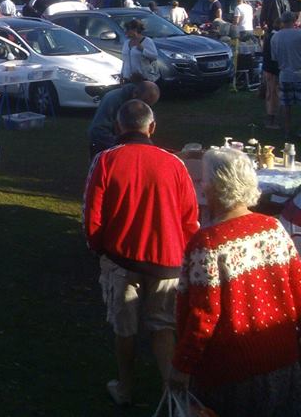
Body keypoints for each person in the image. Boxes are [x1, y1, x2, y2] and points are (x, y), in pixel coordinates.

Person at [83, 100, 200, 406]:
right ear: (152, 128)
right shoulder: (175, 164)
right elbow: (190, 217)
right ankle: (172, 397)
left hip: (121, 259)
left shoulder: (106, 160)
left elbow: (92, 214)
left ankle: (125, 388)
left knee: (125, 328)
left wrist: (98, 249)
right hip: (168, 261)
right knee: (163, 328)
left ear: (118, 127)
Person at [169, 148, 301, 416]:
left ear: (217, 186)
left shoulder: (208, 243)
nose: (201, 186)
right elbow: (298, 288)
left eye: (204, 179)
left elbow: (203, 316)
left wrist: (182, 364)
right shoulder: (274, 228)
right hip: (283, 359)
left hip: (232, 372)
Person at [87, 80, 161, 157]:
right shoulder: (112, 100)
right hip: (103, 149)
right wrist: (123, 148)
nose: (144, 106)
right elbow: (97, 131)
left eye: (148, 105)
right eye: (144, 102)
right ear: (135, 93)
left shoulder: (140, 101)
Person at [271, 10, 301, 137]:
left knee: (285, 103)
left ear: (282, 22)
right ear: (294, 21)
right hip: (299, 73)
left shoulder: (275, 37)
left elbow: (275, 58)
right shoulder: (299, 34)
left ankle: (287, 131)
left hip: (284, 74)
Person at [262, 16, 283, 129]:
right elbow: (273, 57)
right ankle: (272, 119)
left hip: (268, 69)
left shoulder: (270, 36)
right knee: (273, 94)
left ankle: (272, 117)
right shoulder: (274, 37)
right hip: (273, 69)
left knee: (271, 94)